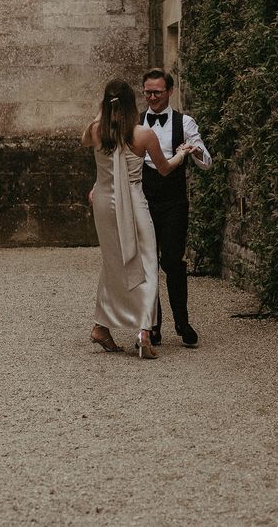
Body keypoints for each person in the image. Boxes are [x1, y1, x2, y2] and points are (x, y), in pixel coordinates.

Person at [81, 79, 193, 359]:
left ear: (105, 104)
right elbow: (165, 169)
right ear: (133, 104)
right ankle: (144, 330)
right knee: (145, 263)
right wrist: (180, 154)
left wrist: (103, 112)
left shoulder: (96, 131)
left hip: (104, 203)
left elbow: (86, 137)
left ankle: (101, 326)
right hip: (132, 202)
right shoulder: (143, 134)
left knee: (113, 262)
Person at [140, 68, 212, 348]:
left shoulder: (185, 122)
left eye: (157, 92)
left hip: (174, 200)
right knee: (147, 263)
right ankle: (152, 326)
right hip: (144, 198)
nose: (153, 97)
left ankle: (182, 323)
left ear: (170, 91)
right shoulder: (136, 122)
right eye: (148, 92)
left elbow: (208, 162)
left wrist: (195, 153)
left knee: (172, 260)